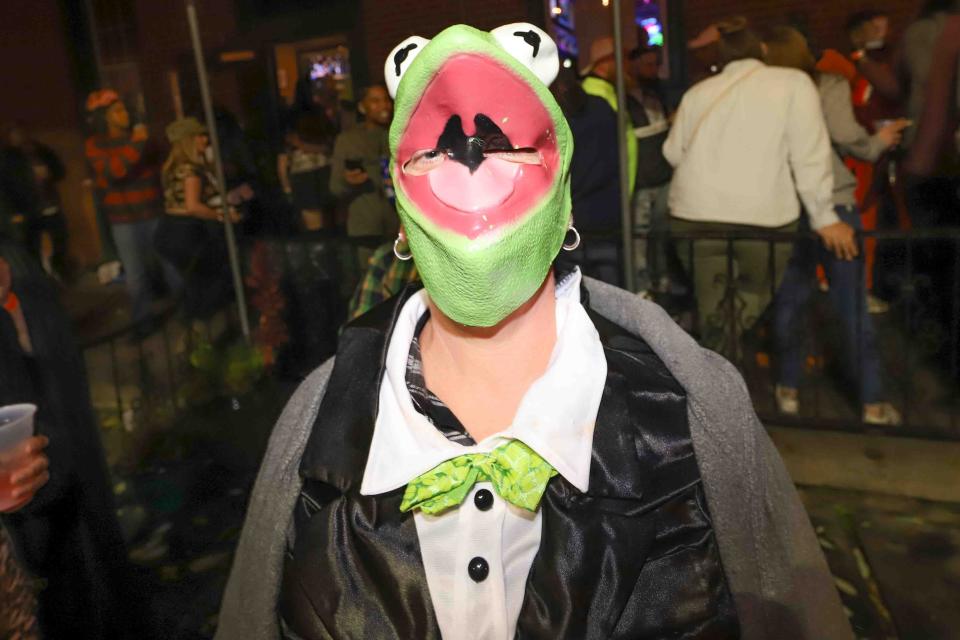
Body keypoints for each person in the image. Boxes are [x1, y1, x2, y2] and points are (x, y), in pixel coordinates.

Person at [216, 23, 850, 640]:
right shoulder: (316, 426)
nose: (469, 159)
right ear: (399, 220)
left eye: (508, 147)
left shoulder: (695, 417)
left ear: (567, 198)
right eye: (432, 151)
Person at [663, 17, 856, 353]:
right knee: (749, 300)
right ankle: (721, 374)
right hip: (763, 218)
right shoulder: (793, 83)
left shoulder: (698, 92)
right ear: (762, 50)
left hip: (694, 214)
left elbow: (672, 153)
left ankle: (713, 374)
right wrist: (825, 217)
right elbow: (809, 156)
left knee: (713, 309)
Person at [0, 241, 152, 640]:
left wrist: (14, 312)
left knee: (85, 571)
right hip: (26, 526)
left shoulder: (26, 287)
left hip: (60, 471)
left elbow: (54, 360)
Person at [765, 26, 906, 426]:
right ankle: (872, 401)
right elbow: (846, 136)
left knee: (791, 299)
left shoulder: (766, 88)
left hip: (786, 205)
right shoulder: (828, 83)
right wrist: (880, 141)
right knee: (851, 304)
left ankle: (787, 390)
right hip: (834, 206)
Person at [84, 89, 180, 328]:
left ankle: (186, 310)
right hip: (123, 220)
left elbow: (160, 164)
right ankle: (143, 321)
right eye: (118, 111)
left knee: (171, 265)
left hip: (152, 212)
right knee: (136, 276)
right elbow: (115, 171)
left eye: (124, 109)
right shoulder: (95, 145)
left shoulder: (142, 139)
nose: (125, 114)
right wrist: (137, 142)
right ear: (104, 117)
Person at [157, 117, 238, 323]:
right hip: (185, 232)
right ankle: (202, 326)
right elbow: (193, 206)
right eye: (200, 136)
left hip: (168, 228)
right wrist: (222, 215)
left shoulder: (173, 167)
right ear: (189, 140)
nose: (205, 139)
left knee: (195, 281)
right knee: (208, 279)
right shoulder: (191, 170)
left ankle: (196, 327)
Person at [550, 65, 622, 286]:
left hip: (571, 222)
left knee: (573, 293)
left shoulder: (554, 119)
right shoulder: (601, 108)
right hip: (606, 213)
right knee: (611, 297)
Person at [329, 85, 397, 262]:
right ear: (362, 107)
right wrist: (348, 181)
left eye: (386, 100)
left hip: (399, 227)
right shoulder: (348, 140)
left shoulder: (401, 134)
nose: (383, 106)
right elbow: (335, 187)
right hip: (365, 229)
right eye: (375, 101)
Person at [628, 43, 674, 293]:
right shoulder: (623, 100)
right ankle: (643, 287)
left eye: (656, 65)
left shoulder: (658, 95)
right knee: (640, 238)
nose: (653, 70)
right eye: (647, 65)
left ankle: (662, 282)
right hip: (642, 180)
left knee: (661, 235)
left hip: (663, 176)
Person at [2, 123, 68, 279]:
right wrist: (14, 212)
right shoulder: (8, 158)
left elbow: (59, 170)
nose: (20, 138)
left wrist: (49, 172)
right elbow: (7, 185)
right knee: (32, 248)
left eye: (22, 134)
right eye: (16, 135)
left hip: (50, 205)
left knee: (60, 240)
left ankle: (58, 270)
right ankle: (41, 280)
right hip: (27, 210)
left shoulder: (41, 151)